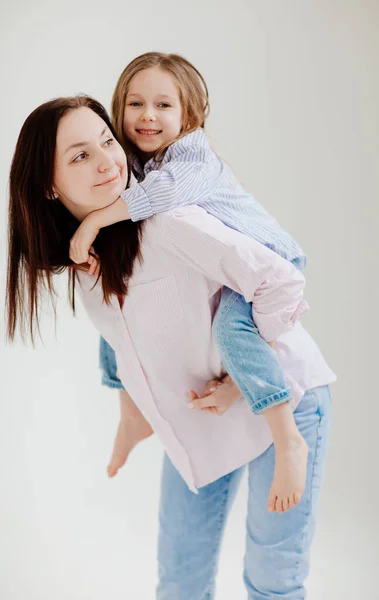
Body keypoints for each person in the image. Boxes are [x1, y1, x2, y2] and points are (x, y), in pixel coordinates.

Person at [6, 95, 336, 598]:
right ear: (49, 187)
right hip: (200, 416)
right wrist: (130, 413)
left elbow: (281, 280)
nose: (108, 161)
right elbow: (122, 338)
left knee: (273, 579)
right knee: (180, 581)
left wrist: (240, 386)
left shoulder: (170, 223)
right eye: (79, 156)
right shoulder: (88, 261)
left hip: (285, 396)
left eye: (107, 142)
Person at [69, 52, 313, 509]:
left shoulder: (191, 156)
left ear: (189, 117)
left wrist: (94, 223)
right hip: (227, 267)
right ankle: (131, 414)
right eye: (136, 104)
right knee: (120, 312)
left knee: (231, 330)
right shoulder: (135, 164)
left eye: (164, 105)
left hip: (266, 263)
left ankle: (287, 436)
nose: (148, 115)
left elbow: (165, 195)